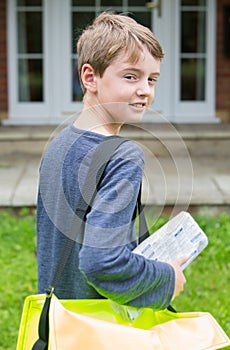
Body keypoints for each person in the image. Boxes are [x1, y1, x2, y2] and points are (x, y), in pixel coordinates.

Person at [37, 12, 187, 309]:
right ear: (90, 77)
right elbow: (101, 261)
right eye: (131, 76)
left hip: (61, 322)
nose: (145, 90)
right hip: (102, 328)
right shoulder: (123, 156)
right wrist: (167, 278)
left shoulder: (59, 145)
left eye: (152, 79)